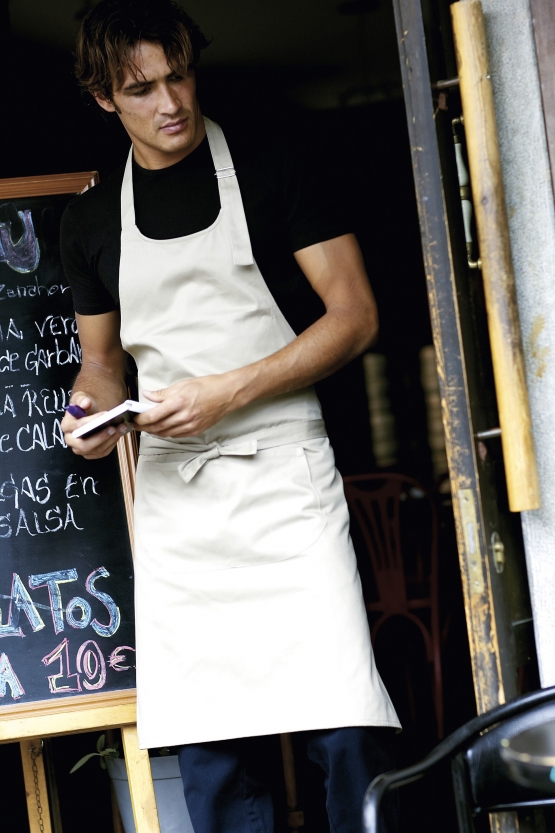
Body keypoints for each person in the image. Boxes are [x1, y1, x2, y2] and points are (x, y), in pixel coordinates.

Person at [60, 2, 401, 831]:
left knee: (345, 721)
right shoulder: (92, 220)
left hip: (285, 477)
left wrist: (230, 389)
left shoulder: (274, 167)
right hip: (181, 500)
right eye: (141, 88)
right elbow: (102, 368)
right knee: (212, 753)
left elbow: (354, 315)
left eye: (179, 74)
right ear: (106, 98)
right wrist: (87, 421)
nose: (170, 101)